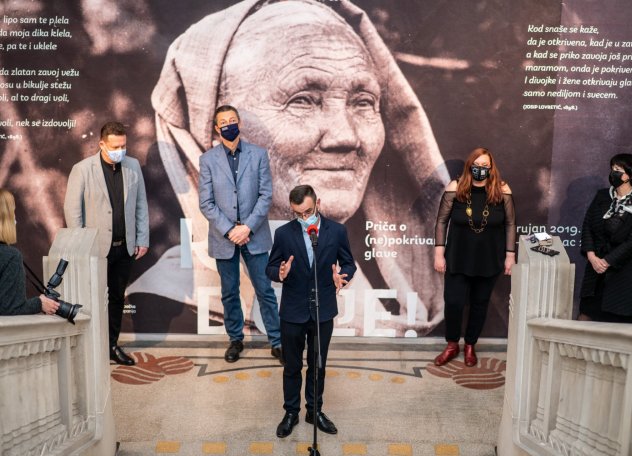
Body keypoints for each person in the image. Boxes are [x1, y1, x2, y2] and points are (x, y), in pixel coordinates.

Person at [142, 0, 450, 335]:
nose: (346, 136)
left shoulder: (386, 296)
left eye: (363, 102)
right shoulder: (165, 306)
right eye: (302, 100)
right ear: (217, 131)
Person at [266, 185, 356, 438]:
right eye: (297, 214)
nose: (303, 218)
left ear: (318, 204)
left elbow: (348, 263)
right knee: (292, 366)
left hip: (322, 310)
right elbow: (271, 267)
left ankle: (314, 411)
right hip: (292, 312)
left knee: (317, 366)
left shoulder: (336, 231)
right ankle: (291, 412)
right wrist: (280, 273)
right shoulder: (283, 234)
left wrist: (342, 277)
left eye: (307, 212)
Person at [198, 105, 282, 363]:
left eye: (232, 120)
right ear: (217, 128)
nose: (229, 125)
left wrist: (247, 227)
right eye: (224, 122)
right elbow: (206, 203)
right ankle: (235, 339)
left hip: (254, 235)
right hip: (224, 238)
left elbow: (265, 195)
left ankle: (277, 341)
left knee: (265, 290)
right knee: (229, 292)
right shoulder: (208, 160)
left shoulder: (258, 155)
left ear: (240, 123)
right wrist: (230, 230)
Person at [63, 121, 149, 366]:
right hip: (95, 249)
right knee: (92, 298)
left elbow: (141, 204)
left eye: (123, 146)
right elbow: (72, 210)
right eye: (115, 147)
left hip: (125, 247)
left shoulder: (132, 166)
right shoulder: (82, 169)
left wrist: (142, 238)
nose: (120, 151)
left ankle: (111, 345)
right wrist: (81, 244)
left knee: (117, 298)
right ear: (101, 144)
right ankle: (90, 347)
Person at [433, 148, 515, 367]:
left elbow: (510, 223)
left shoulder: (502, 189)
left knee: (480, 304)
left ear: (491, 168)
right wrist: (439, 253)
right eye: (477, 165)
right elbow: (441, 221)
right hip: (458, 257)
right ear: (469, 166)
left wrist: (510, 256)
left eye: (485, 166)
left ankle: (470, 345)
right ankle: (452, 345)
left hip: (489, 258)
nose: (481, 169)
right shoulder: (456, 187)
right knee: (454, 302)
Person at [577, 153, 632, 323]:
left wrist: (606, 262)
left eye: (618, 170)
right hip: (596, 272)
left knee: (620, 327)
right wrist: (592, 256)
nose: (613, 173)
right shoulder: (602, 196)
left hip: (624, 276)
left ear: (631, 174)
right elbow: (588, 225)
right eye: (612, 169)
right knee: (585, 317)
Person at [0, 189, 60, 316]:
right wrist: (40, 303)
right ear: (6, 218)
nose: (15, 218)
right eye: (13, 212)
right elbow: (10, 308)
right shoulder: (11, 257)